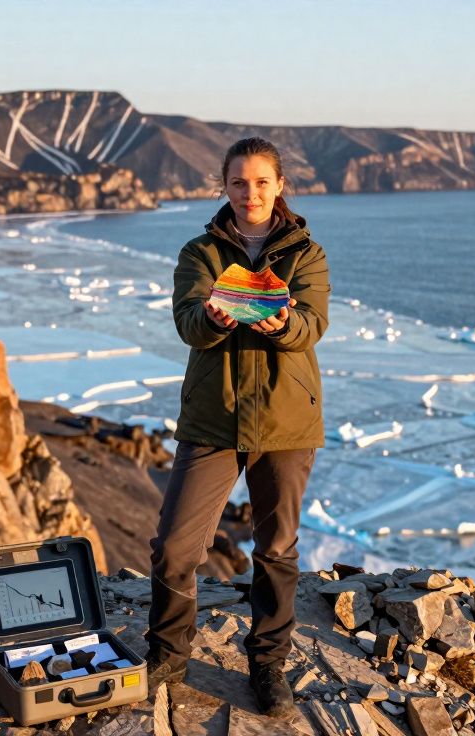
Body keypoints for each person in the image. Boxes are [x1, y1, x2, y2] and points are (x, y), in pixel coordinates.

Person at [144, 137, 330, 718]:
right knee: (175, 546)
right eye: (238, 183)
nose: (249, 193)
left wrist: (283, 324)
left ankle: (268, 665)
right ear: (223, 187)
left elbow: (312, 324)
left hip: (286, 422)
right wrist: (213, 318)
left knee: (276, 549)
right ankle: (168, 654)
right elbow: (189, 323)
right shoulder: (199, 252)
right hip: (213, 419)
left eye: (260, 182)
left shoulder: (307, 254)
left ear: (279, 186)